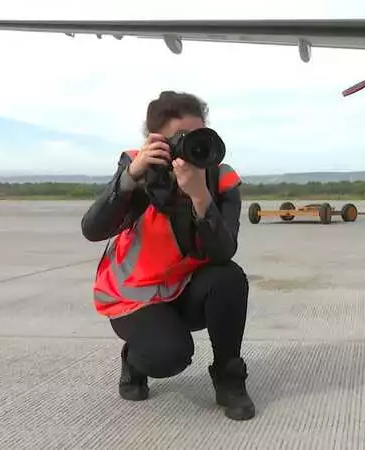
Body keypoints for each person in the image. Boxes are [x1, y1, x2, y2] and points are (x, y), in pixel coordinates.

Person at [80, 91, 255, 421]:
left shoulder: (219, 177)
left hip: (185, 289)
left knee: (229, 276)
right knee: (168, 357)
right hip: (135, 297)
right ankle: (134, 358)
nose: (191, 147)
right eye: (181, 139)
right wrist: (130, 176)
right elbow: (92, 229)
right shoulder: (138, 170)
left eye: (198, 135)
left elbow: (222, 252)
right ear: (156, 141)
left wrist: (201, 197)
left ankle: (230, 378)